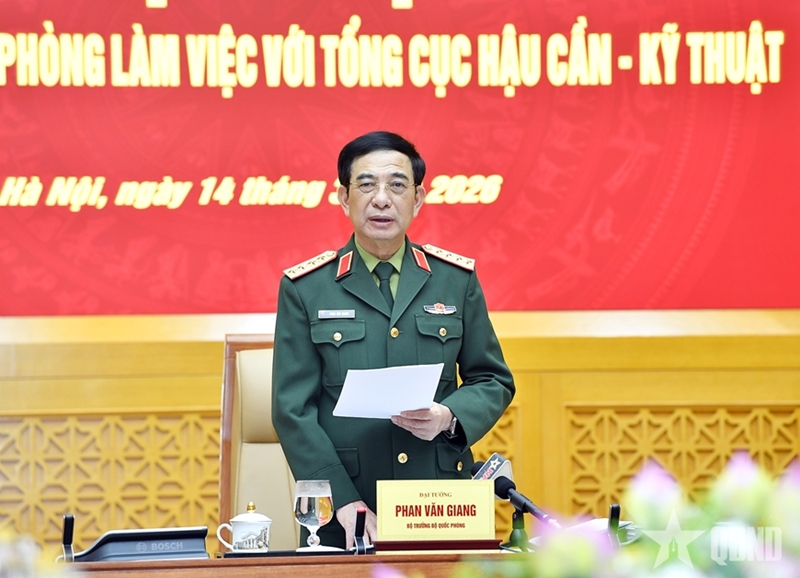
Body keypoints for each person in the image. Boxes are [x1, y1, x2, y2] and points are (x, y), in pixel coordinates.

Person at [272, 131, 515, 550]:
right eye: (366, 185)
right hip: (349, 510)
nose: (381, 199)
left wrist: (449, 416)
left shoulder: (455, 280)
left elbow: (492, 380)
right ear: (344, 198)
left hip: (439, 502)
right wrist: (340, 500)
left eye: (397, 185)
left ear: (417, 199)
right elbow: (292, 410)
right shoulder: (306, 288)